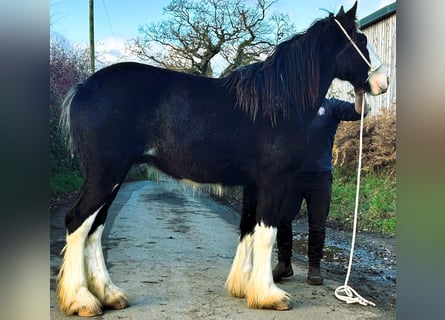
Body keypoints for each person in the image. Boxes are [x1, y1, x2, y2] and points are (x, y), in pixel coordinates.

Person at [272, 88, 367, 285]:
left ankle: (314, 267)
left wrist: (359, 95)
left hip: (320, 177)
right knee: (282, 218)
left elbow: (360, 112)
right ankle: (284, 263)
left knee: (317, 224)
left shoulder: (331, 106)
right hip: (292, 177)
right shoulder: (291, 106)